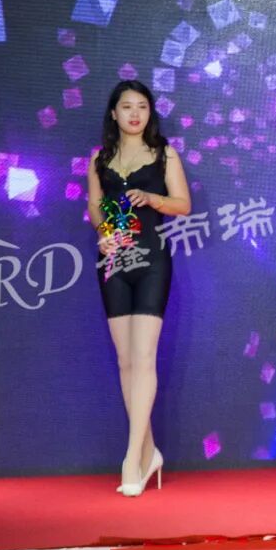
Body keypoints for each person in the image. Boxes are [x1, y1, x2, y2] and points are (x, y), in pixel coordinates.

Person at [87, 80, 191, 497]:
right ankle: (149, 452)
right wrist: (103, 234)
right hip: (113, 262)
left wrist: (152, 197)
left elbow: (183, 205)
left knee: (145, 357)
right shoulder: (99, 159)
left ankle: (132, 457)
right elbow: (95, 207)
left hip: (152, 261)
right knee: (125, 360)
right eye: (127, 106)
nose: (134, 114)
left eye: (142, 106)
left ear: (150, 113)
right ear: (113, 113)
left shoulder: (165, 154)